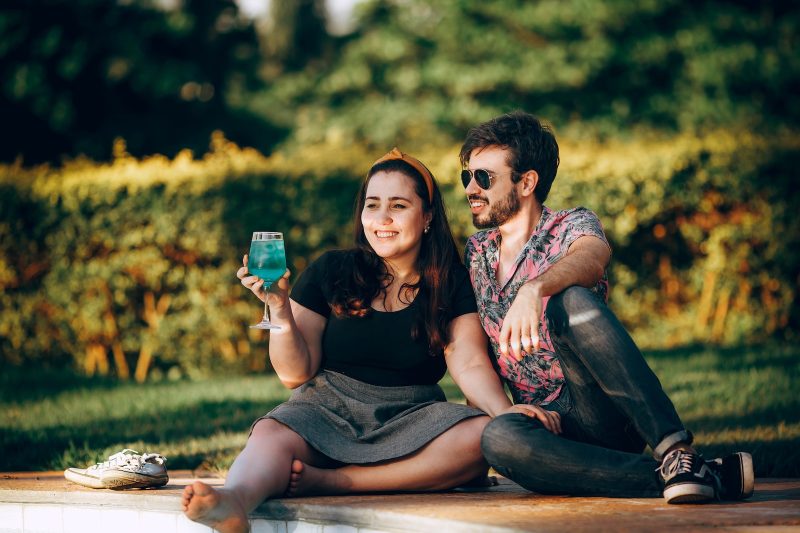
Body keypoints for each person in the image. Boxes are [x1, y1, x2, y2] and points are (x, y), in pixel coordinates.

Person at [182, 148, 551, 533]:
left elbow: (469, 361)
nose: (382, 219)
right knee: (272, 433)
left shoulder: (450, 281)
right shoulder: (332, 269)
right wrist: (279, 307)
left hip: (412, 417)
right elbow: (294, 374)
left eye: (398, 205)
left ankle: (335, 481)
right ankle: (234, 501)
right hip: (326, 410)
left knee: (480, 437)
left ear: (426, 217)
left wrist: (502, 413)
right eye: (372, 205)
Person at [459, 111, 755, 504]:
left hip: (601, 407)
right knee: (497, 437)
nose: (470, 189)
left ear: (527, 182)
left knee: (571, 299)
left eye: (484, 178)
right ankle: (690, 476)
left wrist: (535, 289)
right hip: (547, 430)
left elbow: (593, 256)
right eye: (467, 176)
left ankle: (674, 450)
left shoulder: (569, 225)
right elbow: (476, 350)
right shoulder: (477, 253)